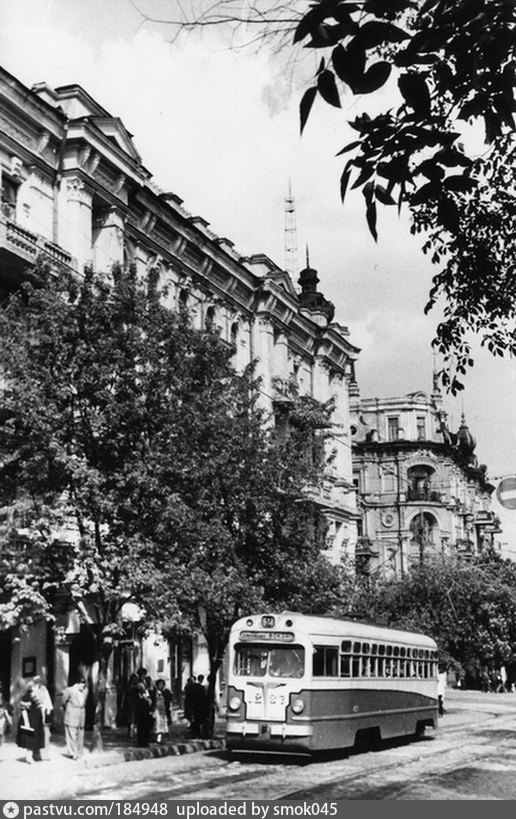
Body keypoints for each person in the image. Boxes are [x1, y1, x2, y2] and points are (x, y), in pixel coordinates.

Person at [16, 682, 45, 763]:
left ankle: (35, 755)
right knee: (30, 739)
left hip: (36, 720)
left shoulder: (35, 696)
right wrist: (26, 722)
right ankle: (29, 757)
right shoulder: (27, 696)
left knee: (36, 737)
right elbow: (23, 710)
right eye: (37, 686)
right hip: (31, 720)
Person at [61, 678, 88, 760]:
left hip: (81, 714)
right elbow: (63, 701)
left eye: (84, 685)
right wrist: (68, 709)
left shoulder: (85, 691)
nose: (82, 687)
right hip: (72, 714)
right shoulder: (69, 690)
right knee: (72, 734)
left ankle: (79, 752)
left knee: (80, 734)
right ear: (77, 684)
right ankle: (73, 753)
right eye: (81, 685)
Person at [32, 675, 53, 760]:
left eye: (40, 681)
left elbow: (48, 703)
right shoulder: (32, 690)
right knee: (36, 734)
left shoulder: (44, 690)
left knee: (46, 734)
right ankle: (36, 753)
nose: (39, 683)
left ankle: (45, 754)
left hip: (44, 714)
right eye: (37, 682)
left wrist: (48, 713)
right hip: (35, 715)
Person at [151, 679, 172, 743]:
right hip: (157, 710)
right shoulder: (155, 692)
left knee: (161, 724)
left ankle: (159, 738)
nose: (160, 686)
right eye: (159, 684)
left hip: (162, 711)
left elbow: (167, 702)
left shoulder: (164, 692)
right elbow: (153, 701)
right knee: (157, 723)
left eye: (162, 684)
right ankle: (157, 738)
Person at [134, 682, 153, 747]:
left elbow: (149, 701)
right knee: (142, 728)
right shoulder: (138, 695)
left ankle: (144, 742)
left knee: (144, 728)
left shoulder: (145, 694)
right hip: (142, 712)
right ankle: (142, 742)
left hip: (144, 713)